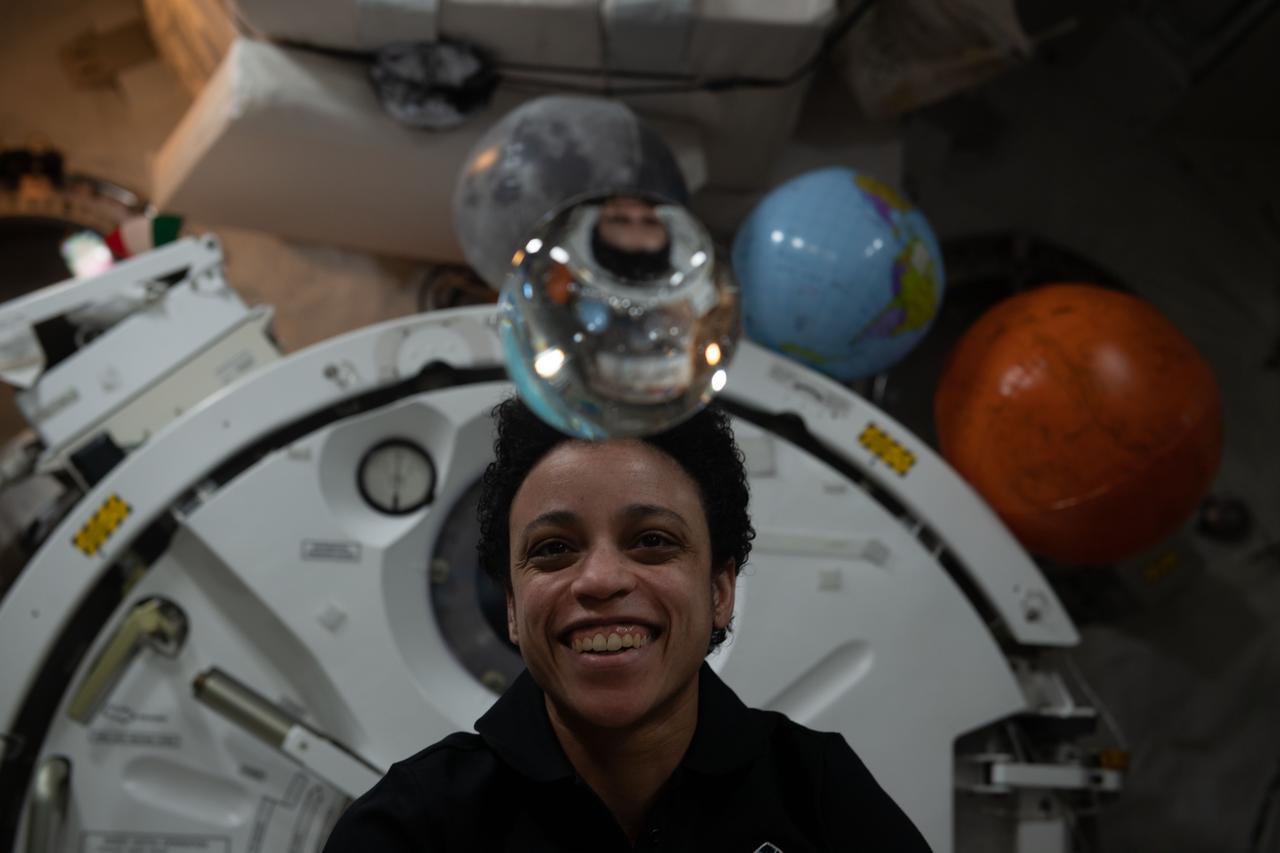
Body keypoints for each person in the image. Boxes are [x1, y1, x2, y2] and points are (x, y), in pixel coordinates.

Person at [323, 397, 932, 852]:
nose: (600, 580)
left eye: (652, 541)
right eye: (554, 549)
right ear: (512, 607)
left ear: (720, 591)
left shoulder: (818, 796)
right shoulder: (412, 827)